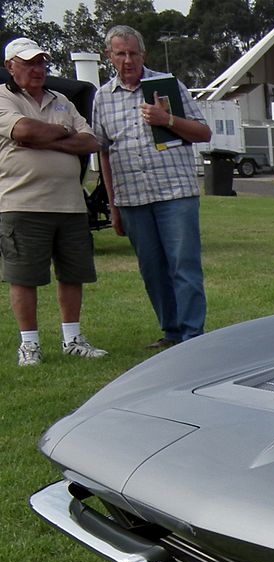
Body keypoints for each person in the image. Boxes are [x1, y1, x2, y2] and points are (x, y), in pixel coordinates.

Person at [92, 25, 211, 349]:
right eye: (120, 53)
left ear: (143, 54)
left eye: (133, 53)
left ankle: (191, 337)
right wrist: (113, 205)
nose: (127, 60)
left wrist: (166, 120)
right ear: (109, 56)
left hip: (174, 193)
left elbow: (203, 133)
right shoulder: (102, 97)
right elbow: (104, 151)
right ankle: (171, 333)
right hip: (132, 198)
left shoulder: (166, 86)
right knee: (153, 271)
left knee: (183, 267)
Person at [0, 37, 107, 367]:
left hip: (70, 204)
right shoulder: (3, 97)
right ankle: (29, 344)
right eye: (29, 63)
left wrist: (48, 138)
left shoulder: (61, 100)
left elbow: (91, 141)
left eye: (41, 62)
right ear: (10, 67)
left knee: (72, 274)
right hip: (22, 202)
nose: (37, 69)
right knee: (24, 276)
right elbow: (24, 132)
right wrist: (62, 135)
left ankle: (72, 339)